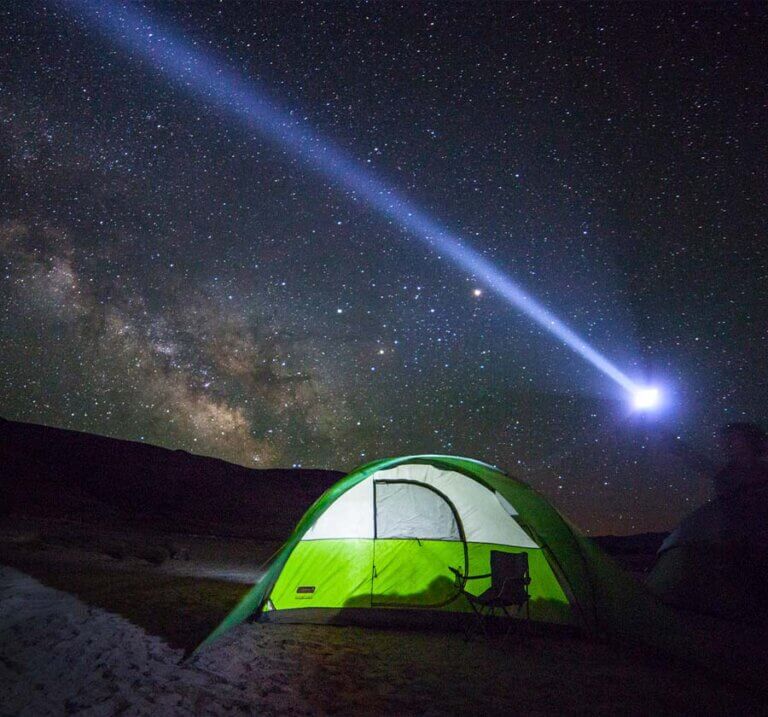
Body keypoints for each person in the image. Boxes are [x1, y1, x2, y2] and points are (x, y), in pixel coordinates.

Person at [712, 422, 768, 502]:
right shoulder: (724, 478)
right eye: (725, 440)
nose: (728, 443)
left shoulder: (724, 477)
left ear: (750, 439)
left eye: (733, 438)